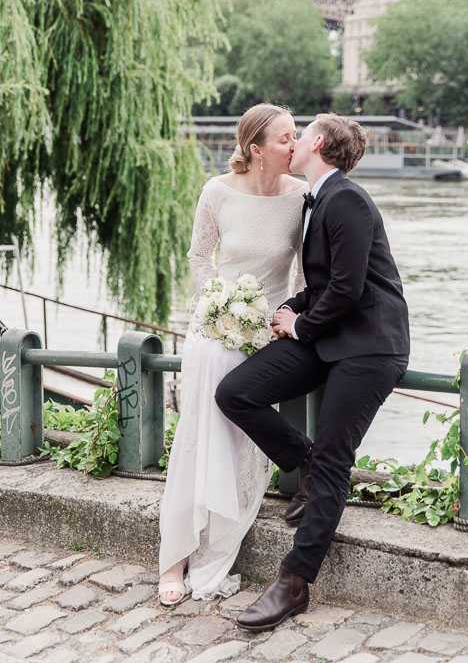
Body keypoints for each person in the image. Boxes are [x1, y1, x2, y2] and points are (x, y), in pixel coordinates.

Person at [215, 113, 410, 630]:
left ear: (318, 143)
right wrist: (291, 309)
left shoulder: (347, 199)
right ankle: (301, 461)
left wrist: (300, 326)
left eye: (300, 135)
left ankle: (294, 582)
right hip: (328, 333)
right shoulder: (315, 198)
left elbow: (347, 290)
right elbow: (324, 284)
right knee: (236, 392)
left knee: (334, 460)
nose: (293, 140)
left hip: (369, 345)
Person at [158, 103, 307, 605]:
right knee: (211, 389)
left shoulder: (302, 196)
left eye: (296, 136)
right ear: (255, 149)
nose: (297, 145)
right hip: (216, 324)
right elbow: (200, 256)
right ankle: (177, 555)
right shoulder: (216, 191)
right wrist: (217, 308)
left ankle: (217, 543)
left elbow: (304, 275)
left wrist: (285, 319)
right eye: (287, 138)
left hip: (269, 331)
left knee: (238, 398)